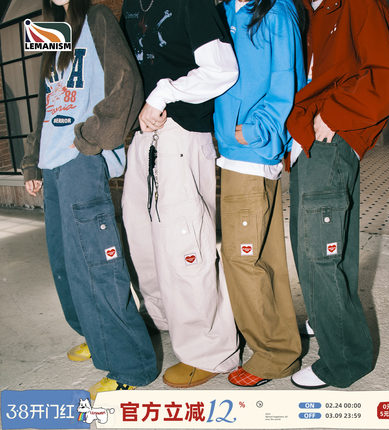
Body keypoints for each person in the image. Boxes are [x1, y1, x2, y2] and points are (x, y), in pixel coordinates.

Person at [22, 0, 158, 399]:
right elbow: (45, 106)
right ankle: (96, 336)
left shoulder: (96, 18)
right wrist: (32, 161)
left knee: (97, 266)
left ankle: (131, 366)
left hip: (80, 159)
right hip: (52, 166)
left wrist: (92, 137)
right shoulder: (53, 35)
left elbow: (126, 82)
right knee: (66, 266)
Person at [120, 0, 240, 387]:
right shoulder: (132, 5)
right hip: (143, 135)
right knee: (142, 239)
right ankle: (168, 320)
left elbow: (222, 69)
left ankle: (210, 350)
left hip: (182, 132)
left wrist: (163, 95)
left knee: (185, 245)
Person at [287, 0, 389, 388]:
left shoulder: (359, 3)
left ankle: (344, 361)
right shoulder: (309, 9)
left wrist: (333, 116)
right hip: (307, 136)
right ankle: (328, 319)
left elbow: (385, 76)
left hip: (330, 135)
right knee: (318, 246)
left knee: (318, 253)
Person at [214, 0, 306, 387]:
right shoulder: (227, 10)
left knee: (241, 259)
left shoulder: (274, 12)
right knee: (264, 258)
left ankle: (273, 355)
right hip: (235, 150)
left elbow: (288, 79)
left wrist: (254, 131)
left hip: (250, 150)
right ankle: (281, 346)